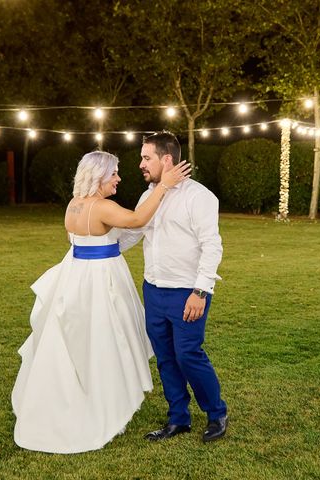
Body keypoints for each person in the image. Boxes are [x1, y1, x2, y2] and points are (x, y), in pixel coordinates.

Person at [11, 150, 190, 454]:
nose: (119, 179)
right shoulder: (102, 207)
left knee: (82, 342)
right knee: (108, 339)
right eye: (114, 174)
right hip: (101, 280)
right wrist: (163, 186)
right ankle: (104, 402)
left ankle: (88, 392)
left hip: (77, 276)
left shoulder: (74, 205)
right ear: (98, 176)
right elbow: (136, 219)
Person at [120, 131, 228, 443]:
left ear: (167, 159)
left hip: (187, 293)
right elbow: (132, 234)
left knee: (188, 355)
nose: (140, 164)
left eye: (146, 157)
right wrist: (96, 240)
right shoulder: (148, 196)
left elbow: (212, 247)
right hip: (153, 291)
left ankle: (216, 412)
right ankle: (178, 418)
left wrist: (201, 291)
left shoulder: (200, 197)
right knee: (166, 357)